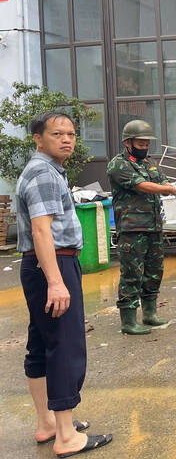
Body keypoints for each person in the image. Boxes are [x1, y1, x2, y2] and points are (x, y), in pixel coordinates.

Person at [16, 112, 113, 456]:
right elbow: (42, 230)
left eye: (71, 133)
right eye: (57, 133)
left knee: (42, 344)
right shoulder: (43, 173)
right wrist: (56, 282)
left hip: (41, 265)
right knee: (66, 346)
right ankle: (67, 437)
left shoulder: (47, 170)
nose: (67, 139)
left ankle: (49, 424)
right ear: (38, 139)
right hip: (52, 264)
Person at [107, 120, 176, 335]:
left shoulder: (150, 164)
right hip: (132, 228)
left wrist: (175, 189)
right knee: (132, 274)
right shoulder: (118, 164)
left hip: (153, 226)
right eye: (140, 144)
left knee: (154, 272)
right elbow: (142, 186)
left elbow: (162, 185)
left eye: (146, 144)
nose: (144, 147)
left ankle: (150, 314)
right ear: (128, 142)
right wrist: (170, 189)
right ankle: (128, 320)